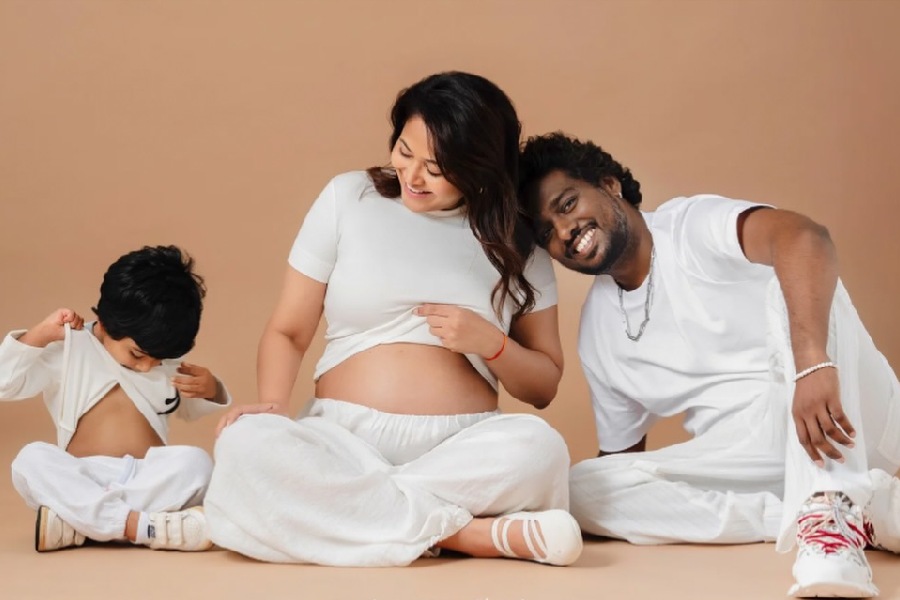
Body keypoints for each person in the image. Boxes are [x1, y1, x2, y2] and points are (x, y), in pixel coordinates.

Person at [204, 72, 582, 567]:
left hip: (462, 447)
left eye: (436, 168)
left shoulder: (519, 242)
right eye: (404, 152)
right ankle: (464, 534)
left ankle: (352, 513)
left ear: (480, 168)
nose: (413, 176)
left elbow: (544, 386)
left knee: (541, 449)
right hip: (341, 439)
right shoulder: (348, 198)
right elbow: (289, 331)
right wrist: (274, 406)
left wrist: (491, 343)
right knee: (246, 443)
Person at [517, 132, 900, 597]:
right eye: (546, 232)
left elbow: (806, 237)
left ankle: (834, 531)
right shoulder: (597, 331)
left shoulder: (689, 226)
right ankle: (844, 512)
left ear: (609, 185)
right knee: (580, 490)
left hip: (846, 412)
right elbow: (623, 462)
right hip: (754, 459)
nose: (564, 231)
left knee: (795, 274)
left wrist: (811, 366)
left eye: (567, 204)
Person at [1, 245, 232, 553]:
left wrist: (211, 389)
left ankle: (81, 523)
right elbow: (5, 383)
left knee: (197, 463)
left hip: (147, 479)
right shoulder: (70, 347)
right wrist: (38, 335)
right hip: (83, 476)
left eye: (157, 359)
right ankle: (143, 527)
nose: (148, 366)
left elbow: (190, 409)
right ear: (106, 323)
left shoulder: (162, 361)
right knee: (30, 460)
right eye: (137, 354)